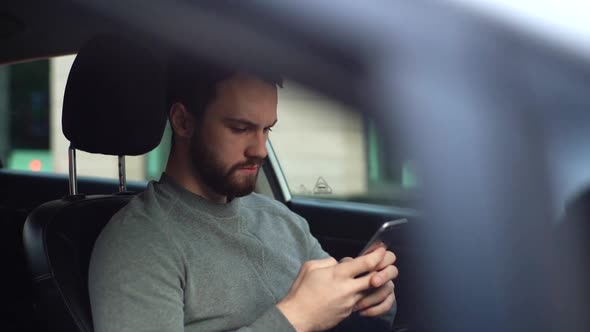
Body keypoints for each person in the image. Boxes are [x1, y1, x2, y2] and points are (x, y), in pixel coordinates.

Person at [88, 55, 398, 332]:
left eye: (267, 130)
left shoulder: (281, 221)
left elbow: (343, 317)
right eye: (240, 129)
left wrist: (369, 299)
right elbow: (301, 318)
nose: (260, 150)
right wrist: (294, 319)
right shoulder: (139, 243)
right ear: (183, 121)